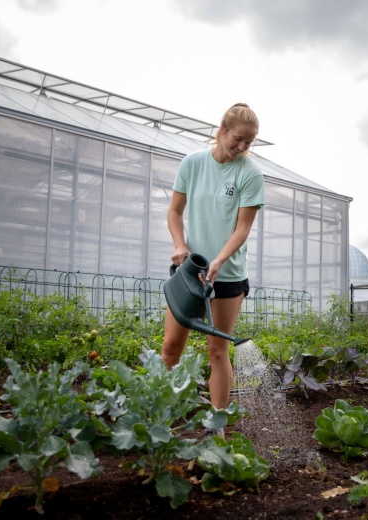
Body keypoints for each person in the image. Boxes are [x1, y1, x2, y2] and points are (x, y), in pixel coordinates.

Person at [161, 102, 264, 411]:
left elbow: (243, 228)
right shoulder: (192, 164)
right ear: (222, 131)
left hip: (228, 275)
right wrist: (180, 245)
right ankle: (160, 415)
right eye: (238, 139)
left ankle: (216, 428)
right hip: (190, 273)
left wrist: (219, 260)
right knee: (170, 348)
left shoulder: (250, 174)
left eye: (249, 142)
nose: (242, 147)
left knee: (217, 351)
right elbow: (175, 212)